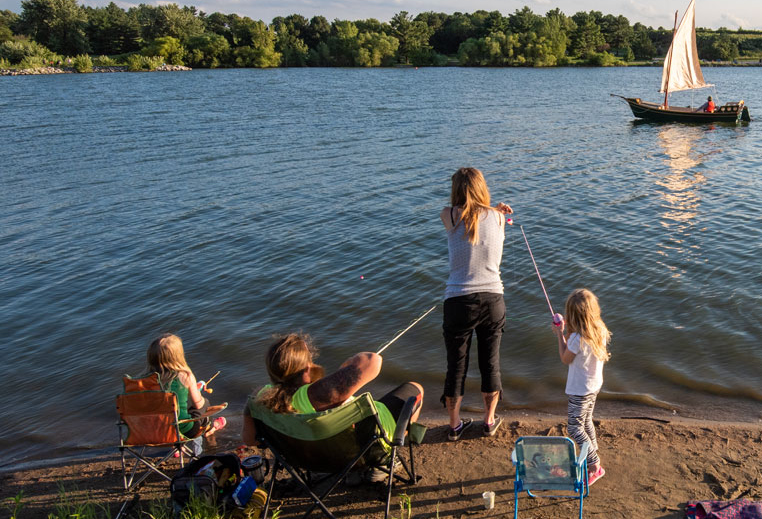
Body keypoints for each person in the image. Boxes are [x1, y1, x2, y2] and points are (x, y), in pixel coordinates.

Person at [242, 333, 423, 474]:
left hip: (313, 460)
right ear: (307, 368)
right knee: (415, 389)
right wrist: (351, 361)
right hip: (366, 453)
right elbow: (373, 360)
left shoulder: (260, 399)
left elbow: (250, 439)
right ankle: (387, 460)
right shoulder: (319, 393)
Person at [440, 167, 513, 440]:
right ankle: (489, 420)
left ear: (456, 190)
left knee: (456, 367)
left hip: (458, 301)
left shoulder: (448, 215)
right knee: (490, 364)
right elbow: (484, 216)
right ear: (482, 187)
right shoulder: (498, 217)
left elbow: (467, 216)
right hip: (493, 299)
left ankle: (455, 425)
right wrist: (495, 208)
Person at [551, 288, 611, 487]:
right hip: (594, 386)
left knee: (574, 427)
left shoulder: (576, 339)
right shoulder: (599, 329)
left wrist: (560, 335)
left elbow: (565, 358)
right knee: (586, 422)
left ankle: (595, 465)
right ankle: (591, 453)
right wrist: (568, 332)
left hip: (580, 390)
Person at [145, 333, 227, 457]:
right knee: (204, 403)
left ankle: (177, 448)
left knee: (168, 412)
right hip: (184, 429)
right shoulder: (185, 376)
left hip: (155, 432)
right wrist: (196, 391)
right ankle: (210, 429)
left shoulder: (142, 381)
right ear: (178, 356)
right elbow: (198, 404)